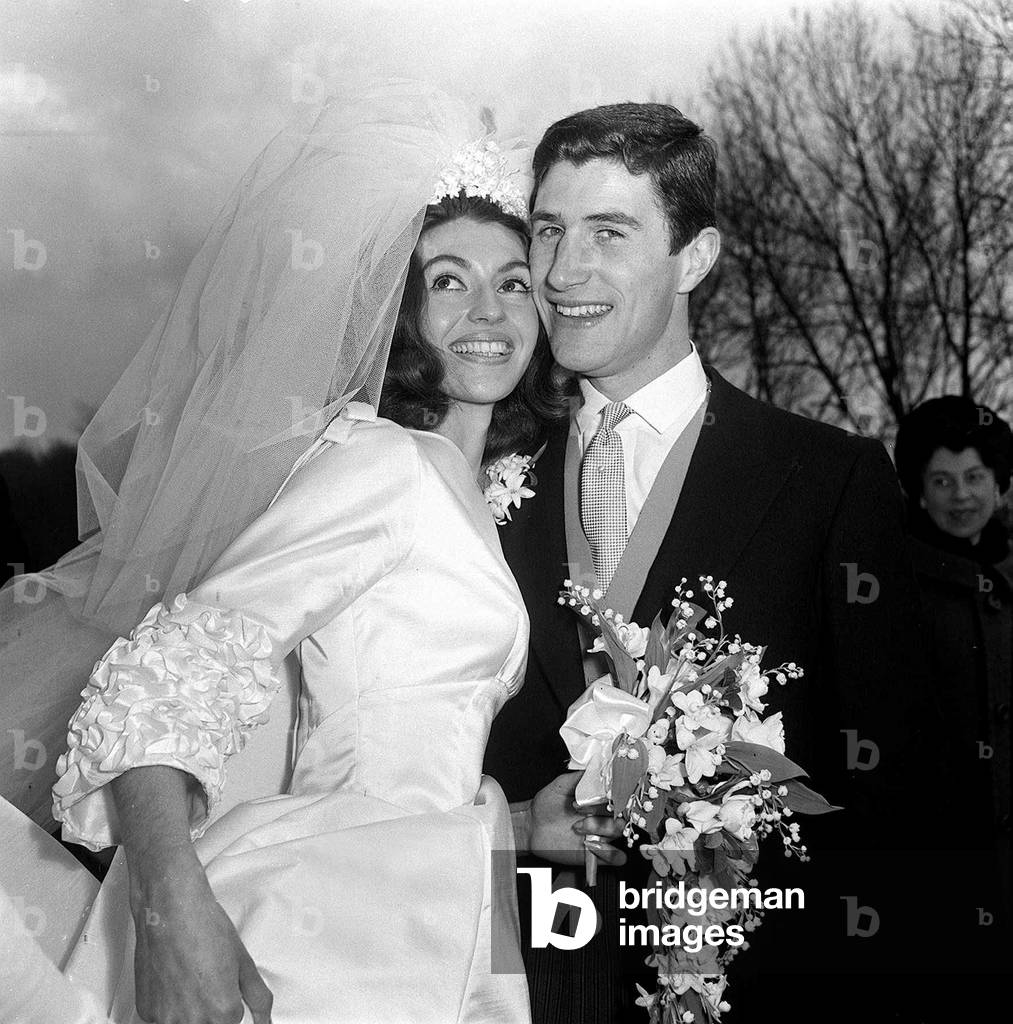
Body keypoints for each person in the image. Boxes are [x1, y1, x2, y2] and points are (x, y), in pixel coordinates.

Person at [0, 86, 576, 1024]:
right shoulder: (389, 466)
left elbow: (383, 750)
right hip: (340, 924)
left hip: (421, 906)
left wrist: (516, 826)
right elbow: (165, 669)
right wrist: (169, 906)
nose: (489, 309)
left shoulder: (460, 489)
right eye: (448, 280)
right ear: (400, 315)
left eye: (513, 280)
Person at [484, 102, 931, 1024]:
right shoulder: (480, 482)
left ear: (694, 258)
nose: (564, 272)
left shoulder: (827, 479)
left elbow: (895, 799)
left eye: (610, 232)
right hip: (513, 977)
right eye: (548, 230)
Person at [894, 396, 1011, 945]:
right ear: (919, 489)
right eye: (942, 481)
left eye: (974, 477)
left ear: (998, 482)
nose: (961, 496)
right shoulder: (895, 584)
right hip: (941, 857)